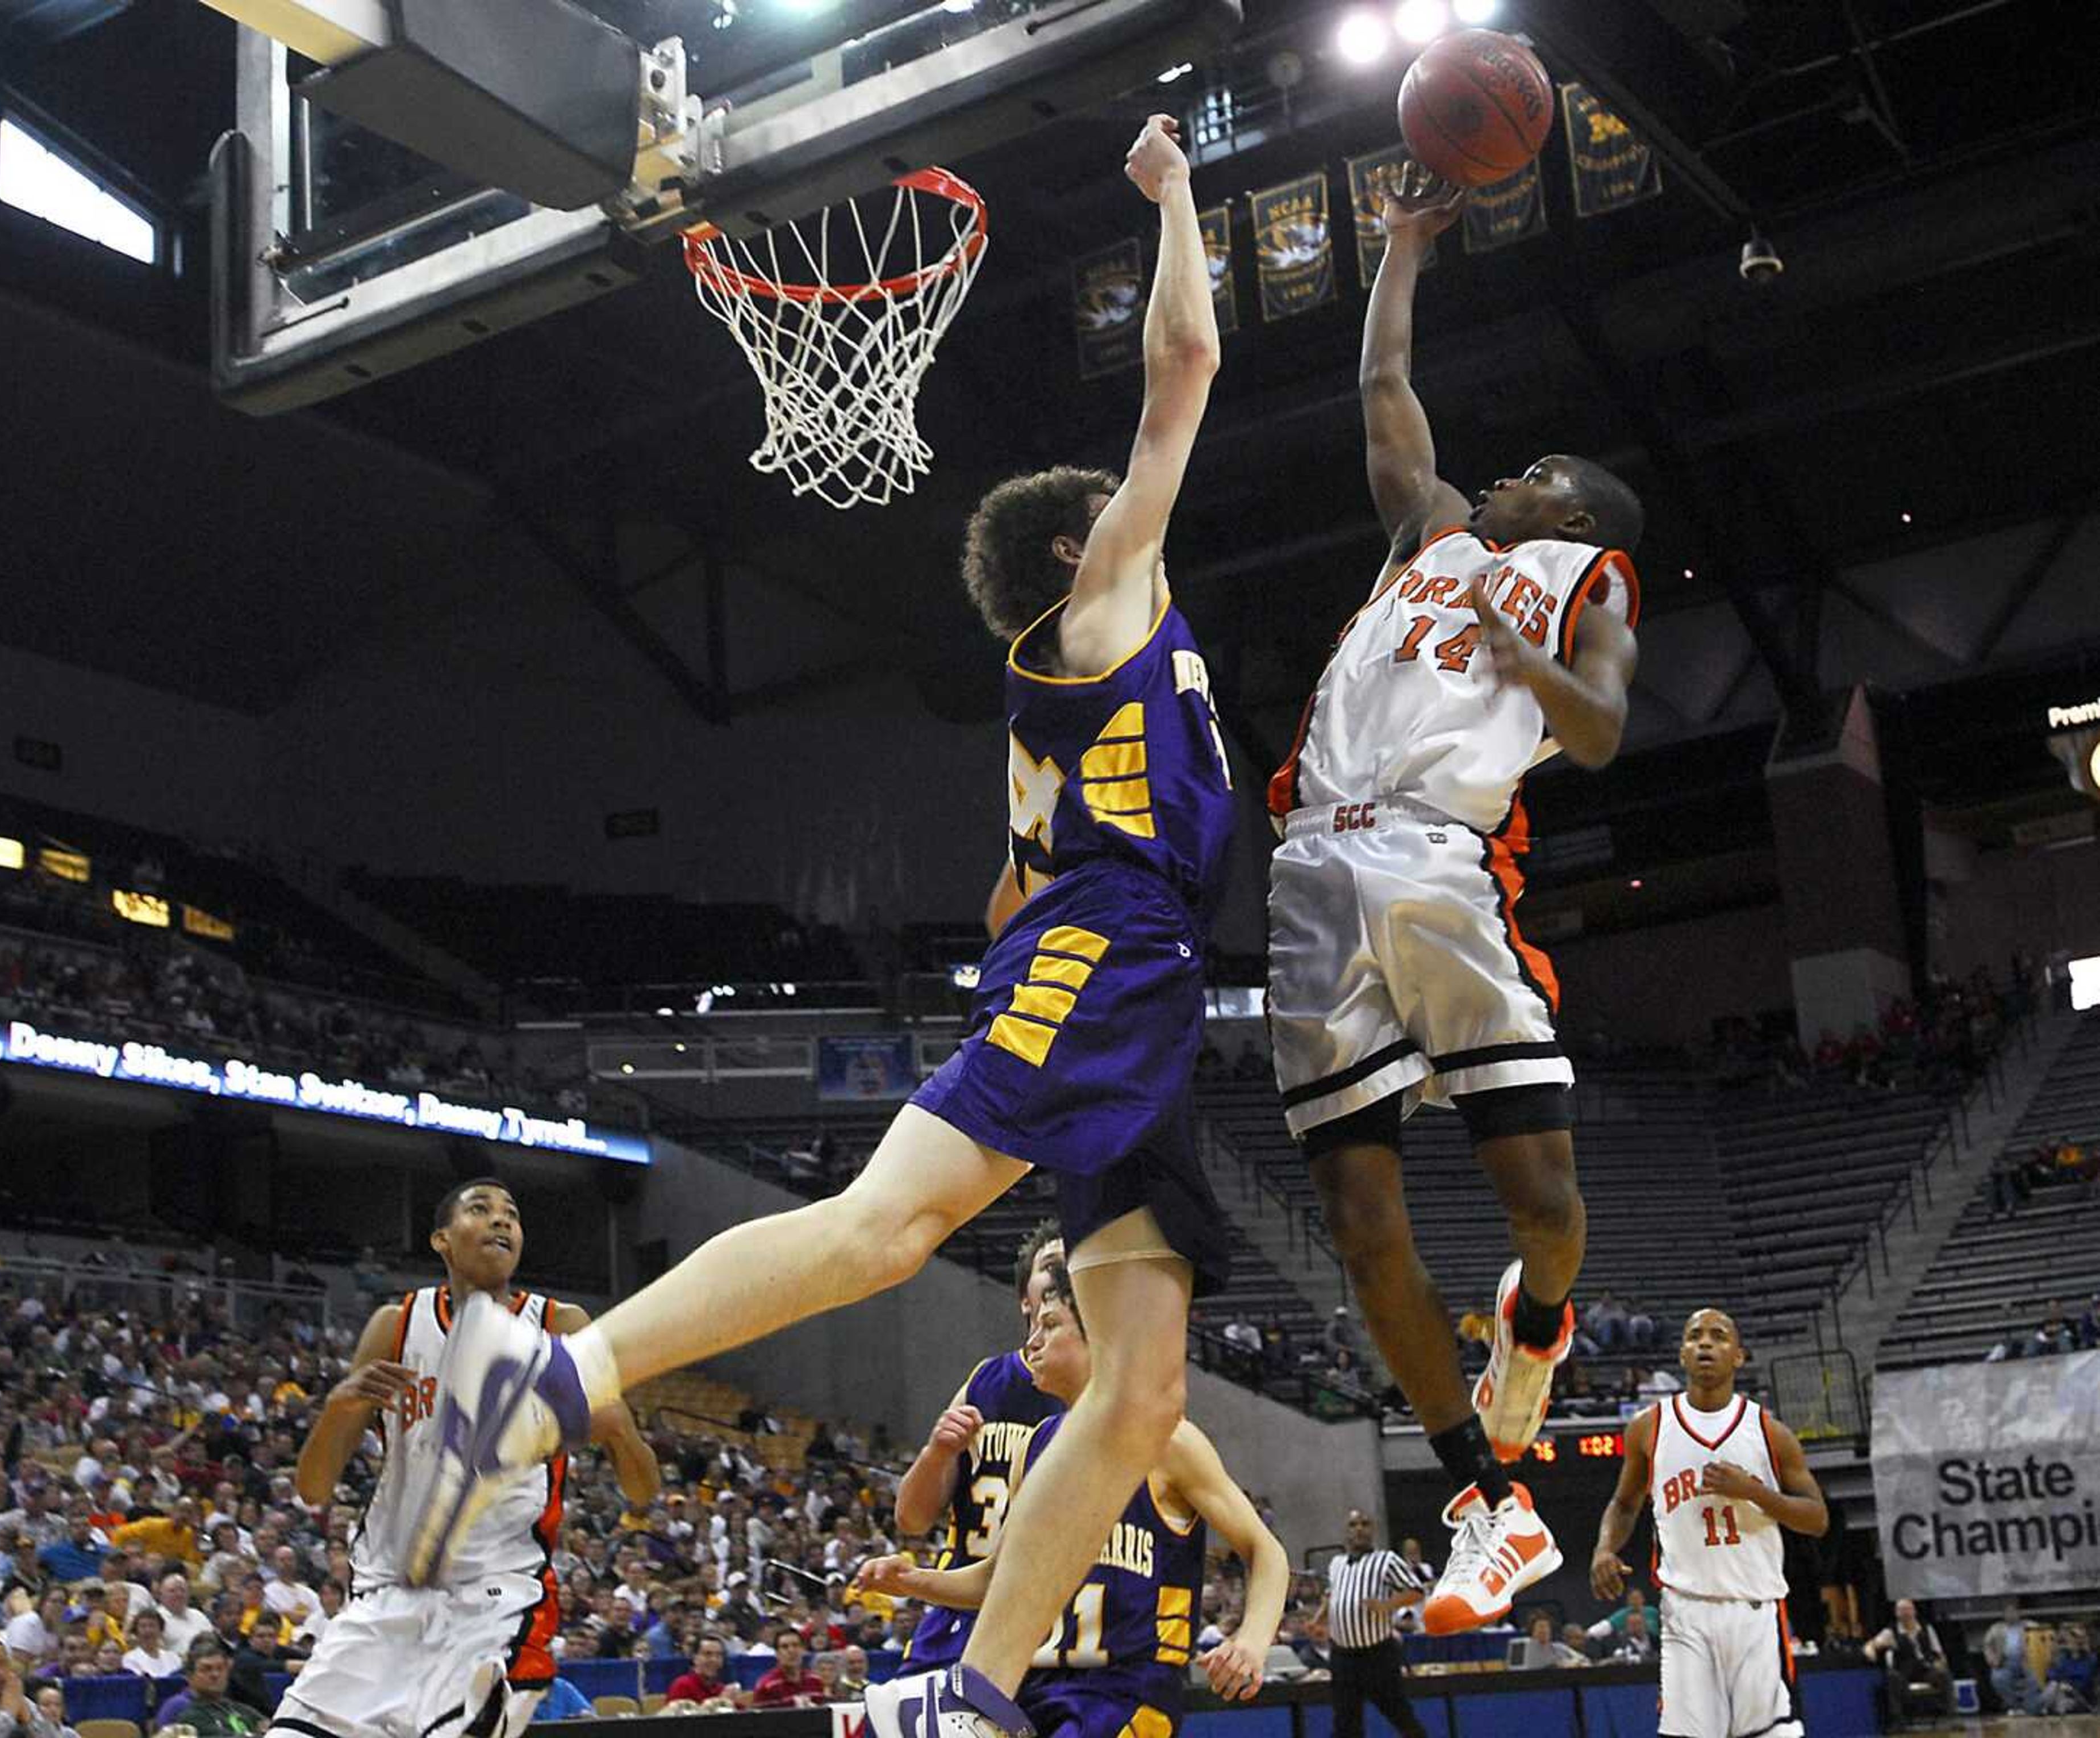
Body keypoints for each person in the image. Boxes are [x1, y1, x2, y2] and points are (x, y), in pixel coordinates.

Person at [406, 111, 1238, 1738]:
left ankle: (977, 1699)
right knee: (882, 1230)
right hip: (1118, 957)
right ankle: (567, 1376)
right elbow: (1187, 361)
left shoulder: (1062, 703)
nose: (1153, 521)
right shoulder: (1104, 603)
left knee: (1139, 1396)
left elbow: (1011, 885)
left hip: (1134, 980)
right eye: (1123, 517)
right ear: (1080, 554)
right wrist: (1176, 193)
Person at [1262, 165, 1643, 1634]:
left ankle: (1532, 1340)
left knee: (1544, 1206)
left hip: (1439, 858)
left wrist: (1510, 639)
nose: (1499, 475)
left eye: (1530, 469)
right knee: (1365, 1223)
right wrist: (1403, 247)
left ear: (1569, 504)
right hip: (1312, 868)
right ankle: (1491, 1503)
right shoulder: (1430, 530)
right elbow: (1384, 388)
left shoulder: (1585, 575)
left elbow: (1599, 732)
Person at [273, 1180, 660, 1738]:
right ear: (442, 1240)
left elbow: (644, 1493)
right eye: (481, 1210)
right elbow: (313, 1491)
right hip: (389, 1595)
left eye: (512, 1215)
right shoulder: (397, 1326)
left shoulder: (559, 1326)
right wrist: (339, 1406)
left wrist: (622, 1430)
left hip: (497, 1599)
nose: (502, 1222)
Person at [855, 1263, 1288, 1738]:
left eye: (1050, 1325)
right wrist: (915, 1581)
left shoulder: (1168, 1439)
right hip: (1034, 1685)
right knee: (894, 1720)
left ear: (1097, 1336)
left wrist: (1251, 1640)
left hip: (1124, 1690)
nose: (1033, 1341)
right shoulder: (1040, 1443)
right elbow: (1001, 1581)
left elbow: (1265, 1551)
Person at [1589, 1309, 1827, 1738]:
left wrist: (1755, 1492)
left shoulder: (1769, 1432)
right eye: (1694, 1336)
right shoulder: (1649, 1427)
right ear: (1681, 1354)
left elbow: (1817, 1519)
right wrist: (1604, 1549)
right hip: (1686, 1611)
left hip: (1754, 1609)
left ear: (1738, 1356)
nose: (1704, 1344)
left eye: (1718, 1337)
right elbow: (1624, 1505)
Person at [894, 1224, 1066, 1677]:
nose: (1064, 1275)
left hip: (1059, 1617)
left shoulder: (1112, 1393)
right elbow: (911, 1519)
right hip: (964, 1608)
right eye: (1051, 1266)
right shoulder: (986, 1382)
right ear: (1026, 1300)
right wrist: (937, 1453)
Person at [1311, 1510, 1426, 1738]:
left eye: (1365, 1524)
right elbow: (1332, 1594)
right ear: (1347, 1532)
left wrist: (1386, 1606)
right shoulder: (1337, 1563)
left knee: (1400, 1714)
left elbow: (1416, 1591)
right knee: (1345, 1723)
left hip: (1377, 1655)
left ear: (1373, 1530)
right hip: (1343, 1657)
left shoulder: (1387, 1560)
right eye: (1353, 1525)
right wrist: (1319, 1618)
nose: (1359, 1529)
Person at [1864, 1599, 1951, 1730]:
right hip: (1904, 1671)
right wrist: (1870, 1651)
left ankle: (1951, 1717)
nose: (1906, 1613)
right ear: (1897, 1614)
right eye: (1902, 1610)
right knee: (1892, 1677)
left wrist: (1940, 1664)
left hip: (1926, 1669)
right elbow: (1871, 1644)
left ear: (1914, 1611)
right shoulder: (1891, 1631)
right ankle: (1899, 1721)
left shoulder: (1926, 1628)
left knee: (1943, 1674)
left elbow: (1939, 1653)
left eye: (1909, 1609)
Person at [154, 1638, 269, 1737]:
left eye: (220, 1669)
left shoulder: (241, 1708)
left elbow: (274, 1730)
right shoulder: (189, 1714)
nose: (215, 1675)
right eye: (206, 1669)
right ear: (190, 1677)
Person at [1983, 1602, 2039, 1715]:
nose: (2011, 1615)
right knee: (1997, 1678)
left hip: (2027, 1662)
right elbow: (1987, 1646)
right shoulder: (1996, 1629)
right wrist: (1993, 1660)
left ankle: (2030, 1706)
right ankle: (2014, 1705)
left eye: (2014, 1612)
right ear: (2004, 1615)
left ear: (2019, 1613)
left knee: (2035, 1678)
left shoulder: (2030, 1626)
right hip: (2005, 1662)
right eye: (2008, 1612)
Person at [749, 1631, 826, 1710]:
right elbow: (762, 1721)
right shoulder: (767, 1686)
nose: (791, 1651)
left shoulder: (815, 1681)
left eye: (796, 1645)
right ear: (777, 1654)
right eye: (785, 1647)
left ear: (803, 1650)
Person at [663, 1637, 740, 1711]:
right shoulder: (682, 1686)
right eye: (708, 1654)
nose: (714, 1660)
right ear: (695, 1658)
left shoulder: (721, 1689)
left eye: (719, 1655)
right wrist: (720, 1703)